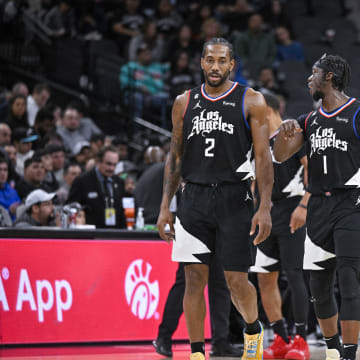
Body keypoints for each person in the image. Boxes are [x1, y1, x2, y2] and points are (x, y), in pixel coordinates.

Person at [157, 37, 274, 360]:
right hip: (192, 198)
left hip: (234, 198)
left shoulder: (251, 100)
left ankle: (252, 329)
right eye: (210, 60)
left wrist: (265, 207)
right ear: (201, 62)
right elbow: (176, 156)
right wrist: (165, 206)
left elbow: (264, 159)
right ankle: (197, 353)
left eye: (222, 61)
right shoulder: (184, 101)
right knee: (193, 279)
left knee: (237, 282)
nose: (215, 66)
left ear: (232, 65)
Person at [273, 54, 360, 360]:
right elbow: (281, 155)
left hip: (351, 203)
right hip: (318, 207)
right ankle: (333, 349)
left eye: (314, 73)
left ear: (330, 77)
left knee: (350, 281)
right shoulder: (308, 120)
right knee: (318, 287)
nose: (309, 79)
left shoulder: (356, 112)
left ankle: (350, 353)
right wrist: (285, 133)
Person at [251, 92, 310, 360]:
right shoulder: (258, 144)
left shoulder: (291, 132)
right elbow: (254, 183)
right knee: (265, 276)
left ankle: (301, 339)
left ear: (270, 109)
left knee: (295, 274)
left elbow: (313, 171)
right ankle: (281, 338)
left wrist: (304, 206)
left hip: (292, 207)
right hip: (266, 212)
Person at [154, 259, 242, 358]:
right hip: (190, 243)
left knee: (220, 281)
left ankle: (220, 342)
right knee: (187, 282)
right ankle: (164, 337)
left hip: (219, 243)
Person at [67, 146, 127, 229]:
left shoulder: (119, 182)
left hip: (114, 234)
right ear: (98, 162)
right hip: (91, 234)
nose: (111, 168)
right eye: (108, 164)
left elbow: (121, 211)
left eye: (114, 165)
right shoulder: (82, 181)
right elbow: (71, 207)